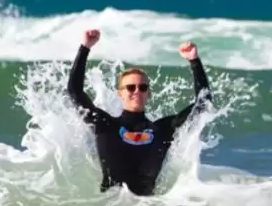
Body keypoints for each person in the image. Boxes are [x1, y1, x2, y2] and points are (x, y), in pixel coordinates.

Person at [66, 28, 212, 196]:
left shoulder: (163, 129)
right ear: (120, 93)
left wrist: (194, 61)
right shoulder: (104, 124)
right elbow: (74, 91)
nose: (137, 91)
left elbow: (203, 103)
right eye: (130, 87)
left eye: (142, 87)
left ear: (149, 93)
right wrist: (85, 47)